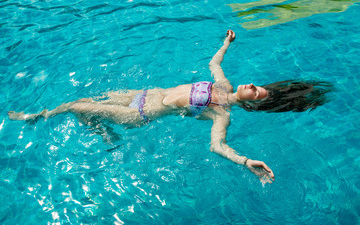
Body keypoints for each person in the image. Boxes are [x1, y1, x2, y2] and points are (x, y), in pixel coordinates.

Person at [8, 30, 332, 184]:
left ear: (256, 105)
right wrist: (225, 44)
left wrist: (245, 161)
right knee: (88, 106)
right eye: (258, 86)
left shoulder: (222, 113)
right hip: (142, 93)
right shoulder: (224, 85)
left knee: (75, 105)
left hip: (140, 113)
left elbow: (217, 146)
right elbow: (213, 62)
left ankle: (37, 117)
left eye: (258, 93)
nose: (254, 87)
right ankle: (103, 133)